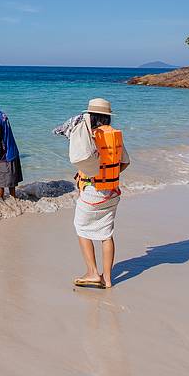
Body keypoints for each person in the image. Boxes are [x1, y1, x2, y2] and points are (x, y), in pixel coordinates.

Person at [55, 97, 129, 289]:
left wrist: (92, 178)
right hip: (112, 192)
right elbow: (125, 162)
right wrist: (109, 176)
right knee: (106, 233)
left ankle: (93, 273)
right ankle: (108, 279)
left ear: (91, 116)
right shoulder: (114, 135)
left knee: (81, 228)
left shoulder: (90, 135)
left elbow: (83, 157)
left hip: (93, 193)